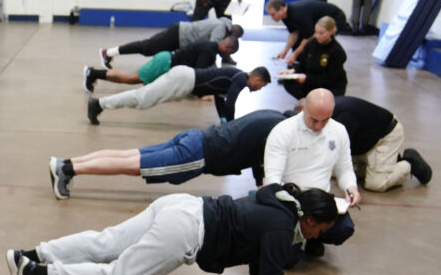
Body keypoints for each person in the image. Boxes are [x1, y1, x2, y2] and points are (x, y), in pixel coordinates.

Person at [7, 183, 338, 275]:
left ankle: (32, 254)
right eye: (318, 230)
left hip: (183, 205)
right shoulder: (282, 228)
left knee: (107, 242)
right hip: (185, 231)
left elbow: (259, 262)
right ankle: (37, 272)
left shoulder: (282, 199)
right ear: (309, 218)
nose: (314, 237)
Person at [47, 109, 288, 199]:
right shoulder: (280, 132)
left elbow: (259, 155)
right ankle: (67, 170)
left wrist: (259, 181)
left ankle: (66, 163)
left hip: (196, 137)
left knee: (128, 156)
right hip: (197, 155)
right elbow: (266, 160)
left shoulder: (272, 115)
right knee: (130, 165)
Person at [263, 89, 359, 258]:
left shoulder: (339, 131)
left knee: (344, 228)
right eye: (313, 120)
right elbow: (272, 180)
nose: (319, 126)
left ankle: (314, 238)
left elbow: (344, 169)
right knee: (287, 260)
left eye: (325, 120)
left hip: (321, 202)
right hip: (290, 202)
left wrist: (351, 188)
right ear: (303, 108)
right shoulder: (283, 132)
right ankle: (298, 239)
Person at [85, 63, 269, 125]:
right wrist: (232, 126)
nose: (258, 89)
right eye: (260, 85)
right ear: (255, 77)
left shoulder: (234, 77)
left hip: (184, 80)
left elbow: (221, 101)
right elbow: (230, 103)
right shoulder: (240, 78)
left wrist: (224, 120)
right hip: (184, 80)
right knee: (141, 98)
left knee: (143, 99)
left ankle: (100, 104)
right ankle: (99, 104)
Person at [332, 95, 431, 190]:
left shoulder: (343, 117)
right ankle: (380, 165)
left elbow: (340, 152)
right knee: (334, 171)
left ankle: (409, 163)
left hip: (385, 137)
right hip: (364, 141)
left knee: (375, 184)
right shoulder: (324, 114)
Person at [86, 37, 238, 96]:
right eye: (231, 52)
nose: (228, 55)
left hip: (166, 59)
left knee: (131, 78)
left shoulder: (209, 44)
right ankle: (93, 73)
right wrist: (203, 95)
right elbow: (198, 74)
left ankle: (94, 74)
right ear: (228, 48)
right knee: (130, 78)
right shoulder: (209, 52)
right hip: (165, 63)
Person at [99, 18, 241, 67]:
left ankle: (110, 53)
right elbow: (211, 48)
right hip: (179, 36)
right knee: (147, 48)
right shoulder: (221, 29)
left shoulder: (223, 23)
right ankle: (108, 53)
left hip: (180, 33)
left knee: (148, 46)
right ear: (233, 33)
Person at [279, 15, 347, 98]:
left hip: (329, 86)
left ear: (331, 32)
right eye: (315, 32)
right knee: (288, 82)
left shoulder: (337, 52)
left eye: (321, 33)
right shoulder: (311, 44)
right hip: (310, 80)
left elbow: (329, 78)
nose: (317, 36)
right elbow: (302, 65)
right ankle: (307, 102)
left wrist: (307, 79)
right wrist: (292, 71)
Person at [267, 0, 348, 63]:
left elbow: (309, 36)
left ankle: (322, 66)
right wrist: (285, 51)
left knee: (319, 41)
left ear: (281, 9)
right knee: (300, 46)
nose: (272, 18)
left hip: (336, 17)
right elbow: (293, 33)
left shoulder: (297, 14)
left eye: (273, 14)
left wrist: (294, 54)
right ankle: (300, 68)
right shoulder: (285, 16)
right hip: (316, 19)